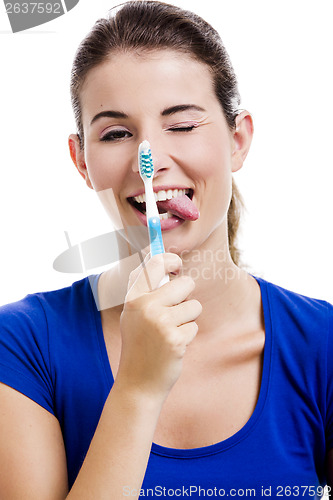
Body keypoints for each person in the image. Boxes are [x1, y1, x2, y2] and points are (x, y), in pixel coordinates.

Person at [0, 1, 332, 498]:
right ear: (82, 160)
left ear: (237, 140)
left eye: (181, 125)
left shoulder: (322, 346)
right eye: (116, 133)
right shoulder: (22, 347)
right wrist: (137, 388)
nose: (147, 161)